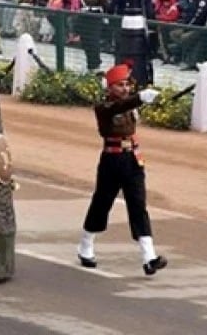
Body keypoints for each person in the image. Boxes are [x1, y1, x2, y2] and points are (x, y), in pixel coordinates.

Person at [77, 62, 166, 275]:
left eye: (127, 85)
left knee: (138, 205)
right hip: (112, 160)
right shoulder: (103, 107)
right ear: (109, 87)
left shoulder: (129, 104)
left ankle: (149, 257)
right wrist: (139, 98)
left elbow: (127, 107)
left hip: (132, 159)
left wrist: (145, 100)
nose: (125, 89)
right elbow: (118, 108)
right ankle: (85, 245)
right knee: (102, 203)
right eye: (120, 85)